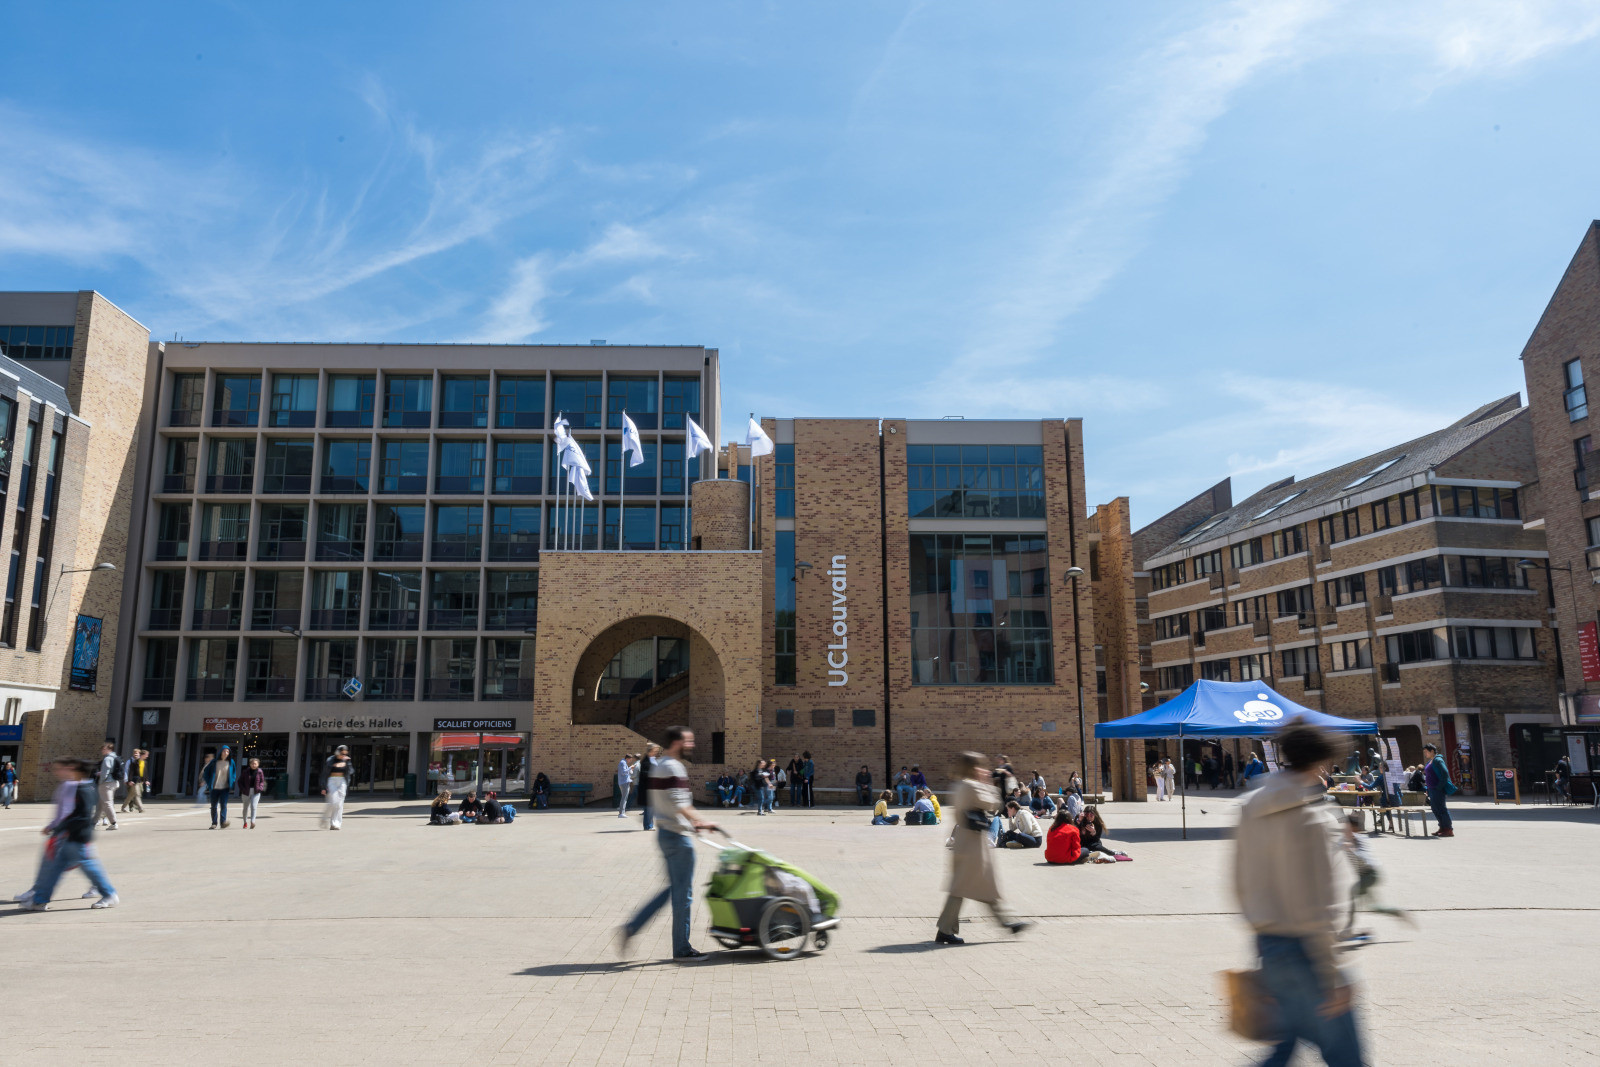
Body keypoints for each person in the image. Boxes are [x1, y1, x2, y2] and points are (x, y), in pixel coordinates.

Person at [1234, 720, 1364, 1066]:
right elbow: (1319, 902)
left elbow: (1238, 882)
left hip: (1269, 943)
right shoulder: (1314, 817)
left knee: (1284, 1047)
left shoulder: (1252, 804)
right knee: (1346, 1056)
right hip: (1307, 950)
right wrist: (1334, 973)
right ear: (1321, 762)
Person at [618, 725, 719, 962]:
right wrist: (701, 821)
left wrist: (689, 821)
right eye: (689, 741)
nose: (692, 745)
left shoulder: (660, 765)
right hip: (678, 837)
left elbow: (663, 800)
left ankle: (633, 926)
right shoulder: (674, 767)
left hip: (665, 832)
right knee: (683, 895)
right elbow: (678, 801)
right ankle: (682, 949)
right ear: (677, 743)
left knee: (673, 890)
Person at [935, 752, 1030, 945]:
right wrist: (988, 784)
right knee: (975, 888)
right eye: (980, 766)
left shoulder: (959, 784)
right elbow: (995, 804)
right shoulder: (971, 786)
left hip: (965, 842)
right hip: (973, 846)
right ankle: (1007, 922)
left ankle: (1007, 922)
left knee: (966, 887)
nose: (984, 769)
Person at [6, 757, 117, 911]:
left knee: (89, 867)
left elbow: (82, 816)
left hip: (78, 837)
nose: (59, 772)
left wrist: (60, 827)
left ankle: (109, 894)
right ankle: (39, 900)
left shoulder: (84, 789)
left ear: (77, 771)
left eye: (69, 769)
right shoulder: (81, 787)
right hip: (69, 835)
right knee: (55, 869)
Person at [1422, 742, 1455, 837]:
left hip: (1437, 789)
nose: (1425, 754)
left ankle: (1448, 829)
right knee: (1435, 809)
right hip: (1432, 789)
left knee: (1441, 808)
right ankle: (1442, 827)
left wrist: (1439, 787)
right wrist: (1428, 788)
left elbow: (1445, 774)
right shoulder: (1430, 761)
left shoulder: (1438, 760)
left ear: (1432, 751)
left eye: (1426, 752)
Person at [203, 744, 237, 829]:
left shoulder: (231, 762)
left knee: (223, 805)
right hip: (214, 788)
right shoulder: (214, 762)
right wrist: (209, 782)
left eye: (228, 751)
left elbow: (233, 773)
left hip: (225, 788)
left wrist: (232, 781)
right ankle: (214, 823)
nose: (226, 752)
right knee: (214, 806)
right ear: (221, 752)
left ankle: (223, 822)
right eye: (224, 751)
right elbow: (206, 772)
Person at [321, 744, 354, 830]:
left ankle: (336, 824)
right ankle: (327, 819)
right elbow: (324, 773)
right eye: (342, 753)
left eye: (345, 753)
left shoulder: (346, 760)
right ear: (337, 752)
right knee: (334, 802)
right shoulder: (331, 759)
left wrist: (346, 763)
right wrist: (323, 787)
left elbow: (351, 771)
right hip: (332, 780)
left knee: (340, 804)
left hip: (342, 781)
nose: (343, 755)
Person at [93, 740, 122, 830]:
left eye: (104, 748)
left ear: (109, 749)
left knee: (108, 803)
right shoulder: (115, 757)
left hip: (106, 784)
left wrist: (100, 782)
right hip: (113, 783)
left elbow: (105, 773)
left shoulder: (107, 759)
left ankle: (114, 823)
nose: (102, 750)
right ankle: (93, 823)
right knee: (100, 804)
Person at [239, 757, 267, 829]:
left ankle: (252, 822)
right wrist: (243, 789)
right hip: (246, 792)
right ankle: (245, 822)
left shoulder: (260, 772)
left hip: (256, 792)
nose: (254, 765)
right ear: (250, 764)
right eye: (252, 763)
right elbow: (240, 781)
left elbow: (262, 781)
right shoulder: (245, 772)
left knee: (254, 807)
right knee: (245, 808)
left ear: (258, 764)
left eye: (255, 763)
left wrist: (260, 788)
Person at [119, 749, 147, 814]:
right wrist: (126, 780)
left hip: (139, 781)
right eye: (135, 753)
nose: (136, 754)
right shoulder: (130, 761)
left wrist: (144, 780)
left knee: (131, 795)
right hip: (132, 781)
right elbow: (127, 771)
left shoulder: (141, 762)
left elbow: (143, 772)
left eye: (137, 753)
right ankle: (140, 808)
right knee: (137, 794)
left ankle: (123, 807)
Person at [640, 744, 660, 830]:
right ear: (650, 751)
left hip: (652, 787)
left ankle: (649, 824)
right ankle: (648, 825)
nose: (656, 752)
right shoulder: (645, 761)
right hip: (647, 788)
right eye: (654, 751)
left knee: (651, 808)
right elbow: (644, 774)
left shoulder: (652, 759)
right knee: (649, 808)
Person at [616, 753, 636, 819]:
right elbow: (623, 772)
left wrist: (631, 769)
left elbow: (626, 772)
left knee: (624, 798)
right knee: (624, 798)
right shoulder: (623, 763)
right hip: (624, 782)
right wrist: (630, 767)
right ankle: (621, 813)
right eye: (630, 759)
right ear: (628, 758)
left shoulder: (624, 763)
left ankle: (622, 812)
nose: (630, 761)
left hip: (624, 782)